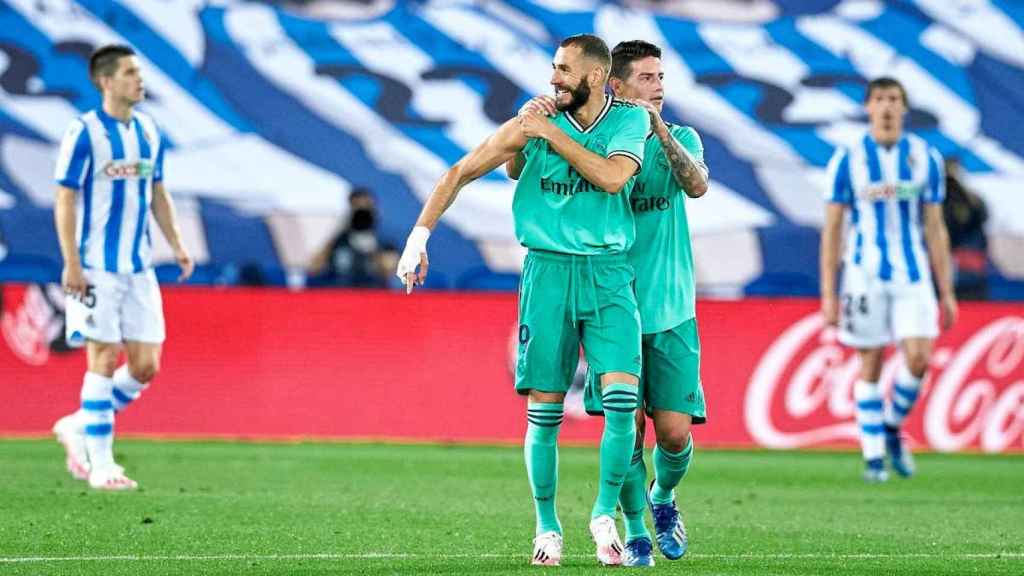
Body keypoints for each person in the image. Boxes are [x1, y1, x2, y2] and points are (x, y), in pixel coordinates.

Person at [396, 34, 650, 567]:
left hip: (608, 273)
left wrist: (547, 133)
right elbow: (460, 171)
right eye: (553, 68)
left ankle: (603, 514)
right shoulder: (532, 120)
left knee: (624, 401)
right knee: (545, 410)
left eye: (564, 70)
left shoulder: (630, 121)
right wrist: (418, 239)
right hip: (548, 272)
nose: (554, 78)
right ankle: (547, 527)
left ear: (597, 77)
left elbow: (609, 177)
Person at [570, 39, 709, 567]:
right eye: (647, 78)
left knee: (673, 434)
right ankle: (634, 531)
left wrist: (658, 130)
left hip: (671, 309)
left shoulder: (682, 137)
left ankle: (663, 498)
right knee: (625, 433)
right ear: (617, 86)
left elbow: (696, 186)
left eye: (661, 77)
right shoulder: (599, 144)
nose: (658, 87)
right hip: (611, 308)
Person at [51, 44, 193, 491]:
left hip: (139, 267)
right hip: (96, 268)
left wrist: (177, 244)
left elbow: (158, 192)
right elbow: (65, 197)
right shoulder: (84, 133)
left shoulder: (149, 132)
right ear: (106, 81)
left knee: (146, 366)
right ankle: (102, 466)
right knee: (103, 356)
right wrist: (72, 261)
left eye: (139, 71)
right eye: (131, 72)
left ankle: (78, 425)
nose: (140, 79)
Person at [820, 77, 957, 483]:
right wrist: (829, 291)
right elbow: (832, 229)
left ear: (904, 108)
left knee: (919, 357)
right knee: (871, 361)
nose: (886, 107)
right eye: (879, 99)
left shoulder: (924, 158)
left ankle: (892, 425)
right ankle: (874, 457)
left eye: (894, 100)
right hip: (862, 273)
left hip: (912, 272)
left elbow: (935, 227)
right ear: (867, 107)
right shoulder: (848, 159)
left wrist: (946, 289)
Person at [308, 187, 381, 287]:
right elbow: (313, 268)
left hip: (370, 289)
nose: (361, 214)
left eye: (366, 207)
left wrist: (374, 249)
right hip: (339, 288)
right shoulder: (339, 234)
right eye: (358, 208)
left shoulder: (382, 236)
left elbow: (389, 274)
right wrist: (340, 231)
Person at [942, 158, 989, 300]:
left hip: (969, 268)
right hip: (942, 265)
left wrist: (962, 191)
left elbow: (980, 216)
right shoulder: (935, 200)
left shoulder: (973, 200)